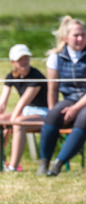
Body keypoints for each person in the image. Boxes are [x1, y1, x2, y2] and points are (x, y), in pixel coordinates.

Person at [38, 16, 86, 176]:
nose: (80, 39)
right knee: (52, 117)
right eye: (76, 35)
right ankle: (44, 163)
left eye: (83, 35)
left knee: (83, 119)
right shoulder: (56, 58)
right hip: (70, 98)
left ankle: (58, 164)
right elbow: (52, 89)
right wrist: (53, 111)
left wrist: (75, 109)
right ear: (66, 38)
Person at [0, 44, 48, 172]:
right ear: (13, 62)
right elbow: (2, 103)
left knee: (18, 122)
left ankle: (13, 167)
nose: (24, 61)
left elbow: (23, 102)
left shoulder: (36, 76)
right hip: (25, 112)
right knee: (2, 119)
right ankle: (1, 160)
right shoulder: (11, 76)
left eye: (26, 58)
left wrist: (10, 121)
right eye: (20, 59)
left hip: (43, 114)